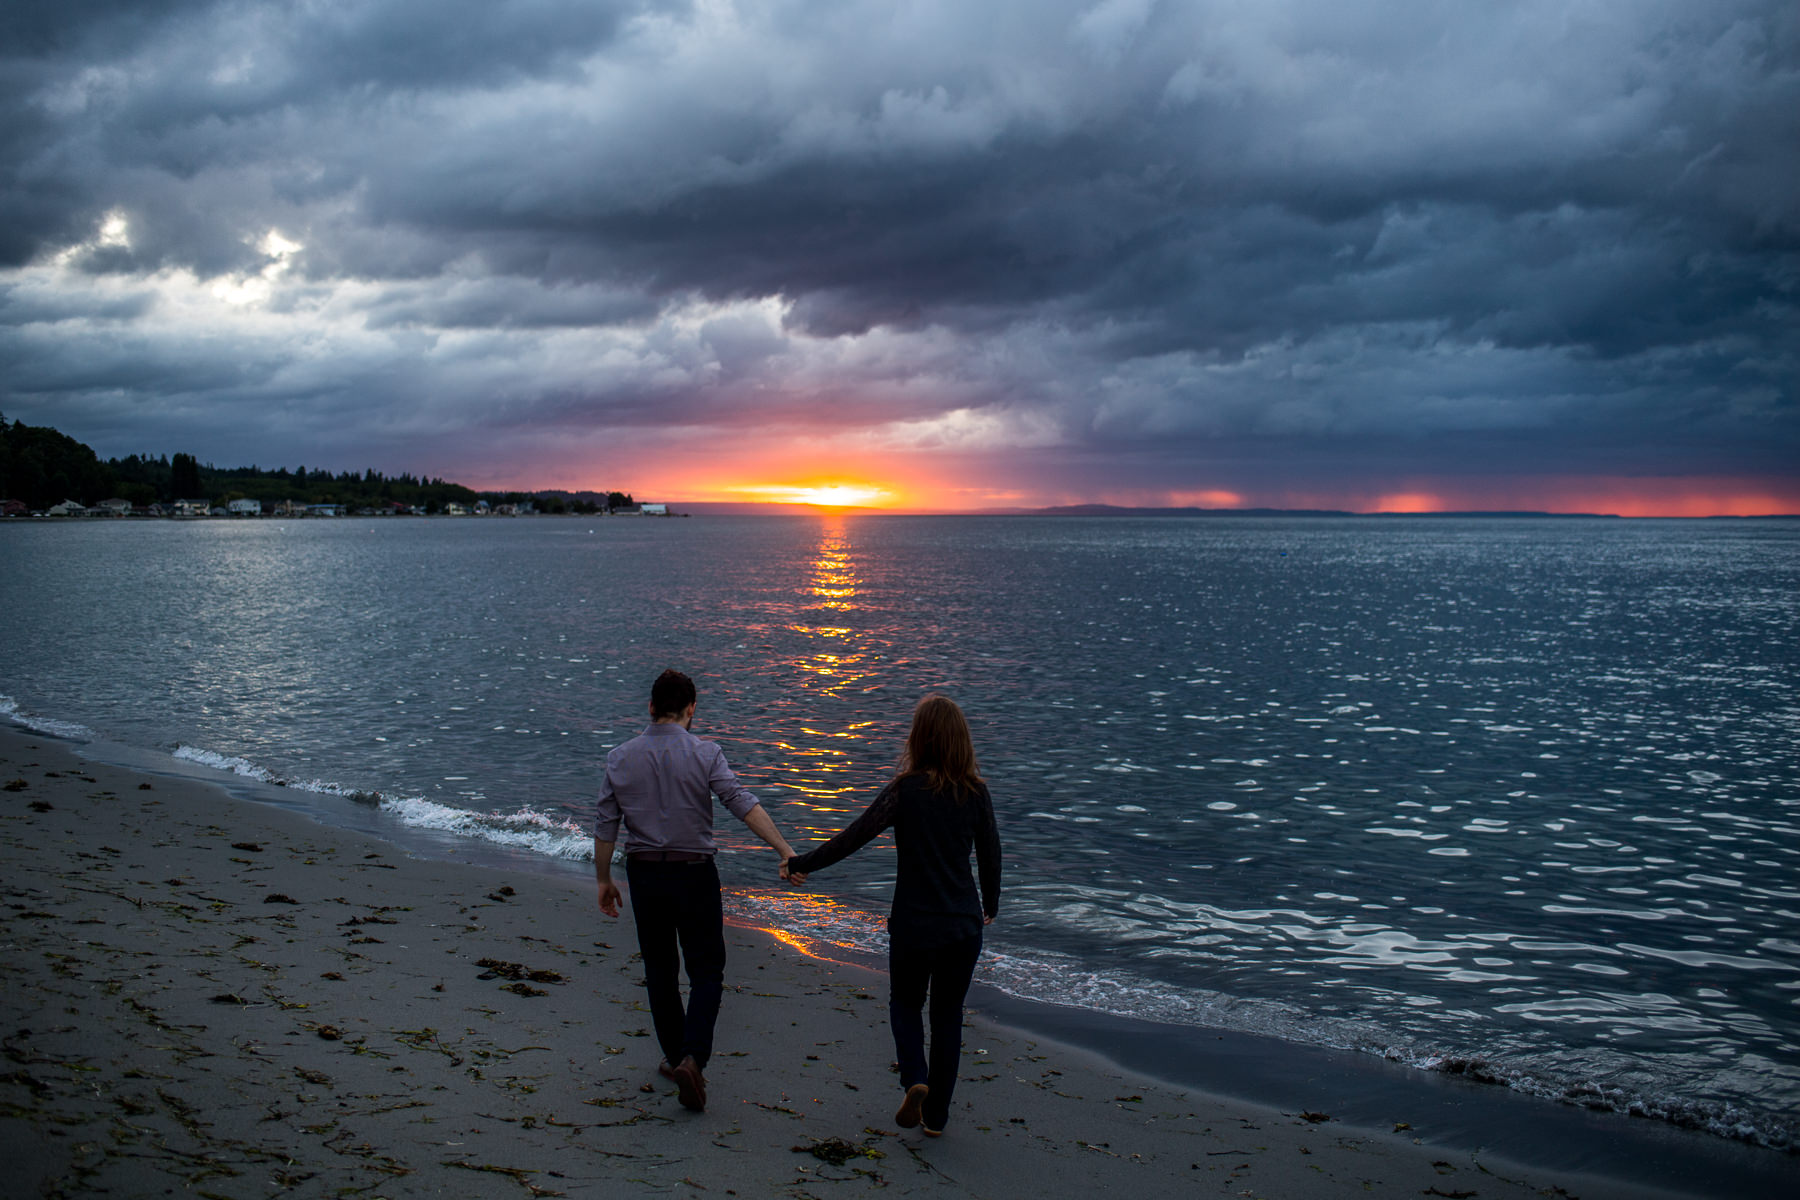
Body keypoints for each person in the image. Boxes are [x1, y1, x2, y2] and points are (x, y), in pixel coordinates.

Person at [784, 694, 1001, 1136]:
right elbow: (992, 854)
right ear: (962, 740)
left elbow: (854, 837)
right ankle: (937, 1118)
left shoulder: (905, 790)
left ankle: (915, 1078)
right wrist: (990, 906)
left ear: (919, 738)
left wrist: (800, 862)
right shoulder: (976, 793)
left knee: (905, 1003)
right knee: (947, 1016)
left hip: (914, 924)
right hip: (962, 924)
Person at [594, 669, 800, 1113]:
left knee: (661, 970)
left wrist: (602, 879)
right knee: (707, 972)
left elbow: (606, 824)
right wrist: (784, 849)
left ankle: (676, 1058)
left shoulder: (619, 757)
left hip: (645, 875)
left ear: (650, 707)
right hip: (695, 875)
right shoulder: (706, 753)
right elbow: (740, 801)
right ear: (692, 709)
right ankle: (693, 1058)